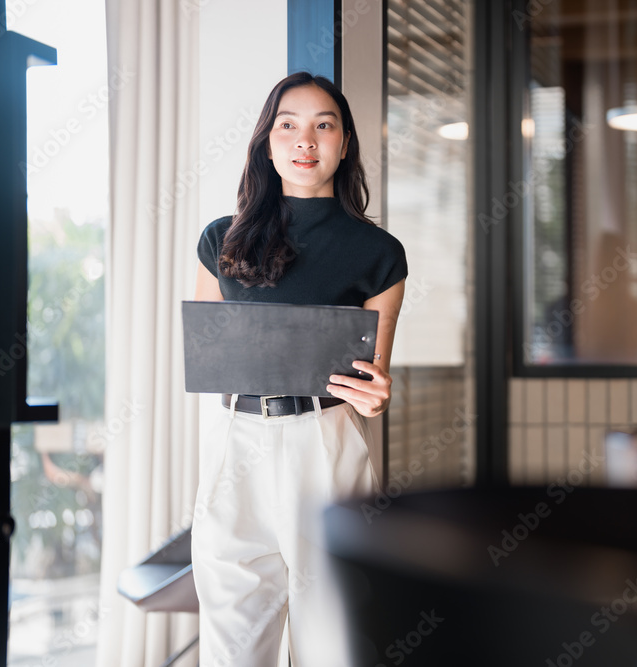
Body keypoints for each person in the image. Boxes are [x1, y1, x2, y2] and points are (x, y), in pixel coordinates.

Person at [190, 71, 407, 666]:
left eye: (323, 126)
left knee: (335, 635)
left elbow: (374, 380)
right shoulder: (220, 240)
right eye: (287, 126)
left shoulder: (379, 253)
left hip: (325, 439)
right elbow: (212, 354)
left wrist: (378, 396)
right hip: (236, 440)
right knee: (234, 641)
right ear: (267, 142)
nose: (304, 140)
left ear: (344, 143)